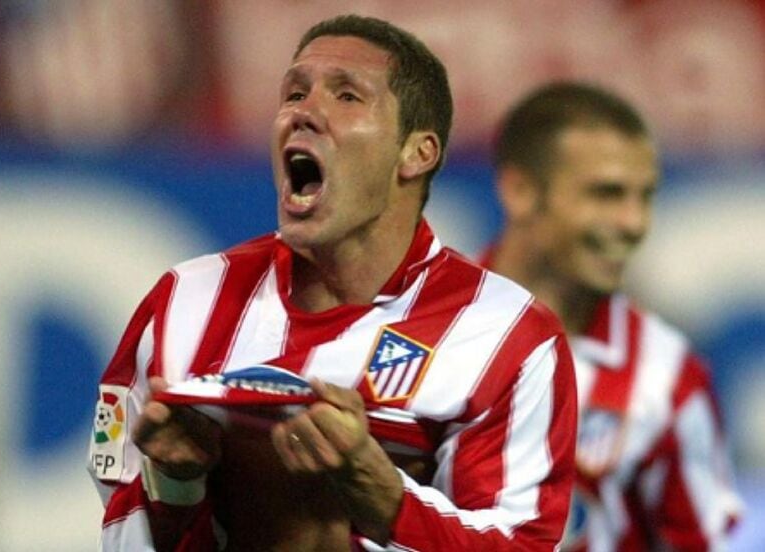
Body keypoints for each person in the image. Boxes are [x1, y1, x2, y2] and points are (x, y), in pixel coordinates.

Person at [88, 14, 577, 552]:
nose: (304, 112)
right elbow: (118, 531)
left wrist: (385, 498)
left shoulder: (507, 337)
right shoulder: (181, 305)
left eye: (347, 96)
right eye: (295, 93)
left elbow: (520, 544)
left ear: (417, 152)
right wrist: (175, 486)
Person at [478, 81, 743, 551]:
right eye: (607, 194)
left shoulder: (668, 376)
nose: (634, 223)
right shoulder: (412, 328)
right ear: (520, 191)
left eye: (645, 197)